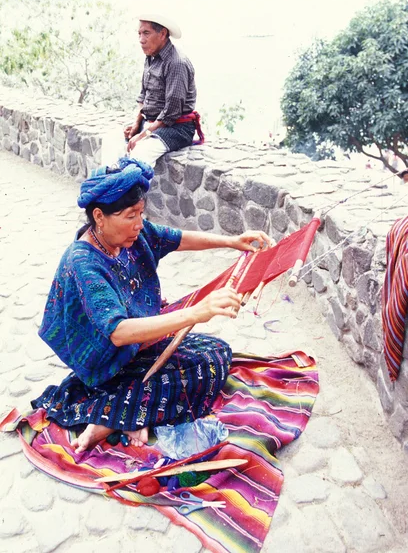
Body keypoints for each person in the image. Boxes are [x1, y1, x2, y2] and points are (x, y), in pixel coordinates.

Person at [31, 157, 271, 454]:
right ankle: (111, 417)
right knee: (192, 374)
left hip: (138, 344)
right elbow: (117, 332)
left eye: (141, 213)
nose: (139, 223)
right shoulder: (84, 262)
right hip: (106, 363)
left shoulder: (132, 234)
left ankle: (126, 413)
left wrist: (233, 241)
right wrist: (197, 312)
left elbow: (177, 239)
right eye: (131, 215)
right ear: (99, 216)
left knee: (216, 354)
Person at [122, 13, 204, 168]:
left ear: (163, 34)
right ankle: (108, 189)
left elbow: (171, 112)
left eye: (146, 33)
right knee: (114, 141)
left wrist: (143, 134)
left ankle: (129, 192)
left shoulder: (176, 63)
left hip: (176, 128)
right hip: (153, 124)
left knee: (141, 153)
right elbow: (143, 97)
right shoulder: (151, 58)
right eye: (139, 33)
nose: (141, 40)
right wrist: (136, 124)